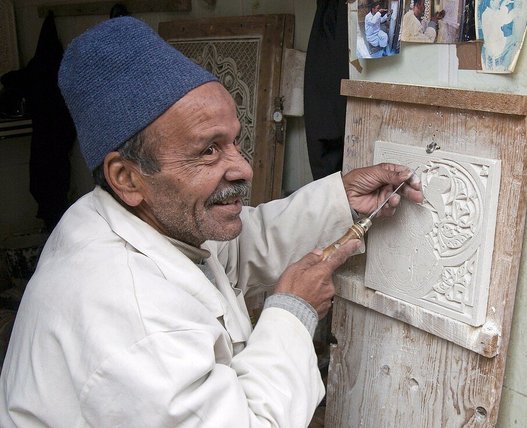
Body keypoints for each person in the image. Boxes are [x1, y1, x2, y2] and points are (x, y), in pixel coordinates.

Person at [0, 17, 423, 427]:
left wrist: (340, 200)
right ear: (127, 178)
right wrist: (293, 313)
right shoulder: (129, 317)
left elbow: (234, 250)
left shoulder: (129, 218)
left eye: (234, 140)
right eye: (207, 151)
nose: (244, 168)